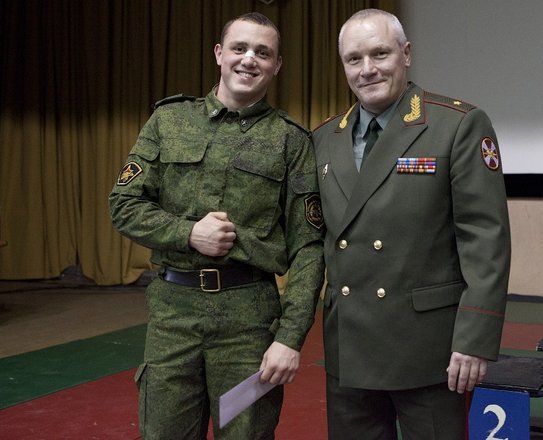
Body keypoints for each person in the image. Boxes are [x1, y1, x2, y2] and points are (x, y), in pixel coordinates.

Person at [108, 12, 325, 440]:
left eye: (263, 52)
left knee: (246, 434)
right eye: (240, 48)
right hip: (173, 318)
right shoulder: (169, 121)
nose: (249, 59)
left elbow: (308, 247)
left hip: (249, 325)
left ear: (277, 65)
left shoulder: (291, 140)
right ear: (219, 54)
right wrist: (188, 233)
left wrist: (290, 336)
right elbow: (124, 203)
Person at [312, 9, 511, 440]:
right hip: (350, 347)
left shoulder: (456, 125)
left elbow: (485, 239)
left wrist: (474, 339)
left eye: (379, 54)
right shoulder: (324, 138)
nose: (367, 69)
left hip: (430, 351)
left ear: (406, 54)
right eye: (353, 59)